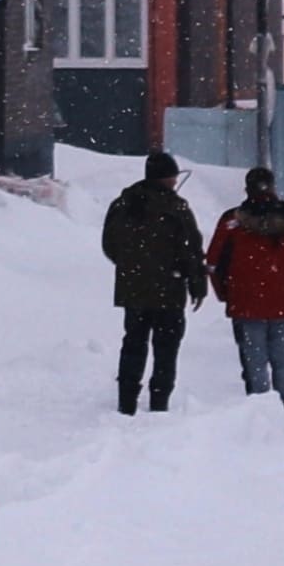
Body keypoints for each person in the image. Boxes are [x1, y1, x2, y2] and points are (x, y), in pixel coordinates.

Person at [209, 164, 284, 426]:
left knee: (254, 362)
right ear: (273, 186)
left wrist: (226, 293)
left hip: (245, 304)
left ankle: (260, 414)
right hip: (283, 304)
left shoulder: (233, 221)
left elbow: (214, 261)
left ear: (247, 188)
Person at [99, 152, 204, 412]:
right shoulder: (176, 208)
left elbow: (109, 244)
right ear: (166, 178)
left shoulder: (124, 203)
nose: (175, 181)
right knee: (166, 349)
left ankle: (126, 401)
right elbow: (191, 250)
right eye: (173, 176)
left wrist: (131, 266)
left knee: (133, 344)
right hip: (170, 290)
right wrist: (196, 283)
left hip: (133, 289)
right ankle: (159, 402)